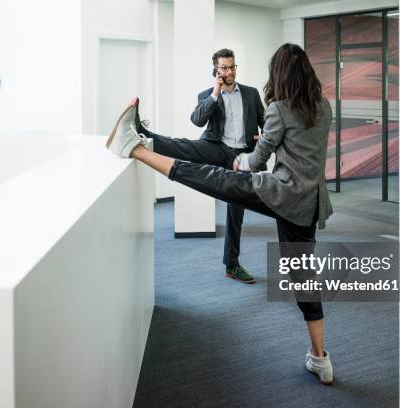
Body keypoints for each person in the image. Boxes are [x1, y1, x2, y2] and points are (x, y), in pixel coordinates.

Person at [106, 43, 335, 384]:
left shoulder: (277, 108)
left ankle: (134, 148)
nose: (228, 72)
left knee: (213, 179)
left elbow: (257, 160)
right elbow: (295, 147)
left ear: (280, 73)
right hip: (310, 203)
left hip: (278, 191)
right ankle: (322, 360)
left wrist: (242, 160)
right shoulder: (325, 106)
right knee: (304, 278)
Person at [135, 48, 265, 284]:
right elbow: (197, 120)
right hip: (216, 147)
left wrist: (263, 140)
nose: (229, 71)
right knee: (184, 147)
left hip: (241, 155)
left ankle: (232, 265)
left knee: (237, 208)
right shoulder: (207, 94)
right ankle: (144, 134)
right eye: (224, 67)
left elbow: (266, 122)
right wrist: (215, 93)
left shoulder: (251, 93)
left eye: (232, 66)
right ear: (215, 70)